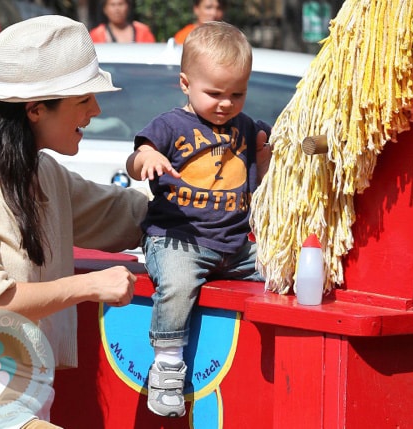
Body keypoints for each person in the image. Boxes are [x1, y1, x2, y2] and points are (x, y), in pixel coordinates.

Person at [0, 15, 148, 429]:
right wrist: (91, 285)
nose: (97, 110)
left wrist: (213, 194)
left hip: (27, 392)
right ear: (35, 109)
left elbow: (128, 215)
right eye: (84, 99)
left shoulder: (44, 173)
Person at [126, 21, 273, 418]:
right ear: (185, 83)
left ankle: (275, 351)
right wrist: (148, 160)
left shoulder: (246, 127)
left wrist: (267, 153)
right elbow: (135, 157)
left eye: (237, 93)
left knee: (281, 267)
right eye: (214, 93)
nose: (225, 103)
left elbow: (268, 160)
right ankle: (168, 364)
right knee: (174, 285)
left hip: (235, 246)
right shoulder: (171, 125)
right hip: (178, 240)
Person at [89, 0, 155, 43]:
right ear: (105, 9)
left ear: (128, 7)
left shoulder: (143, 31)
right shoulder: (96, 35)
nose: (117, 9)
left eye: (120, 4)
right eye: (112, 5)